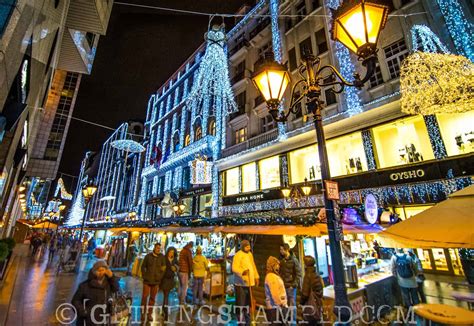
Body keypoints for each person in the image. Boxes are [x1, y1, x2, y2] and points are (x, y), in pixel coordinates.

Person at [72, 260, 119, 325]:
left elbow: (116, 289)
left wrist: (112, 277)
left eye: (103, 270)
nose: (101, 272)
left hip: (104, 321)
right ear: (94, 272)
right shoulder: (84, 285)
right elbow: (75, 301)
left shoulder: (109, 284)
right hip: (87, 322)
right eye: (99, 270)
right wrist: (84, 312)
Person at [232, 239, 260, 326]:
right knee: (241, 303)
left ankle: (248, 321)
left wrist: (256, 276)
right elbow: (234, 268)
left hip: (249, 283)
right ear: (243, 247)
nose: (248, 248)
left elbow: (253, 265)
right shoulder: (238, 255)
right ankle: (240, 321)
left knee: (248, 303)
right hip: (240, 284)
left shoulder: (250, 254)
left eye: (249, 247)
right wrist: (242, 272)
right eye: (247, 247)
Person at [141, 243, 166, 322]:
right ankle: (143, 312)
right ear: (154, 248)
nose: (159, 249)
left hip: (156, 282)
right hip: (147, 281)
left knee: (152, 298)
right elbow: (143, 267)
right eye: (157, 248)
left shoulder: (162, 257)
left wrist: (160, 277)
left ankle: (149, 314)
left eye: (160, 248)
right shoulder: (148, 256)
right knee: (145, 297)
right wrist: (144, 276)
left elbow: (163, 268)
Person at [279, 243, 302, 325]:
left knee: (292, 305)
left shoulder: (294, 260)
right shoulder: (282, 260)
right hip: (283, 286)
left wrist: (294, 285)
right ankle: (285, 321)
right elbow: (280, 273)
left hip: (291, 287)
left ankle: (293, 322)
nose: (280, 251)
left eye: (282, 249)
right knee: (284, 304)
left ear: (287, 250)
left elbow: (299, 273)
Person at [300, 256, 324, 326]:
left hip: (310, 307)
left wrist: (301, 303)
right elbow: (320, 291)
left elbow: (305, 294)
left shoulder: (307, 276)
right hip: (317, 305)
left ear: (306, 264)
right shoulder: (316, 275)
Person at [264, 256, 288, 325]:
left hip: (276, 307)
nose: (278, 267)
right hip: (275, 308)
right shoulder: (271, 277)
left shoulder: (273, 275)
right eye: (277, 265)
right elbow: (275, 293)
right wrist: (281, 303)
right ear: (273, 265)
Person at [161, 246, 179, 321]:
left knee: (166, 295)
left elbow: (178, 267)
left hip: (171, 280)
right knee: (166, 295)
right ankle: (165, 310)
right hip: (165, 279)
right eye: (170, 252)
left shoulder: (175, 260)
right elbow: (161, 266)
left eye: (172, 252)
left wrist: (176, 268)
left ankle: (163, 308)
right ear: (168, 252)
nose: (171, 253)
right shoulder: (164, 259)